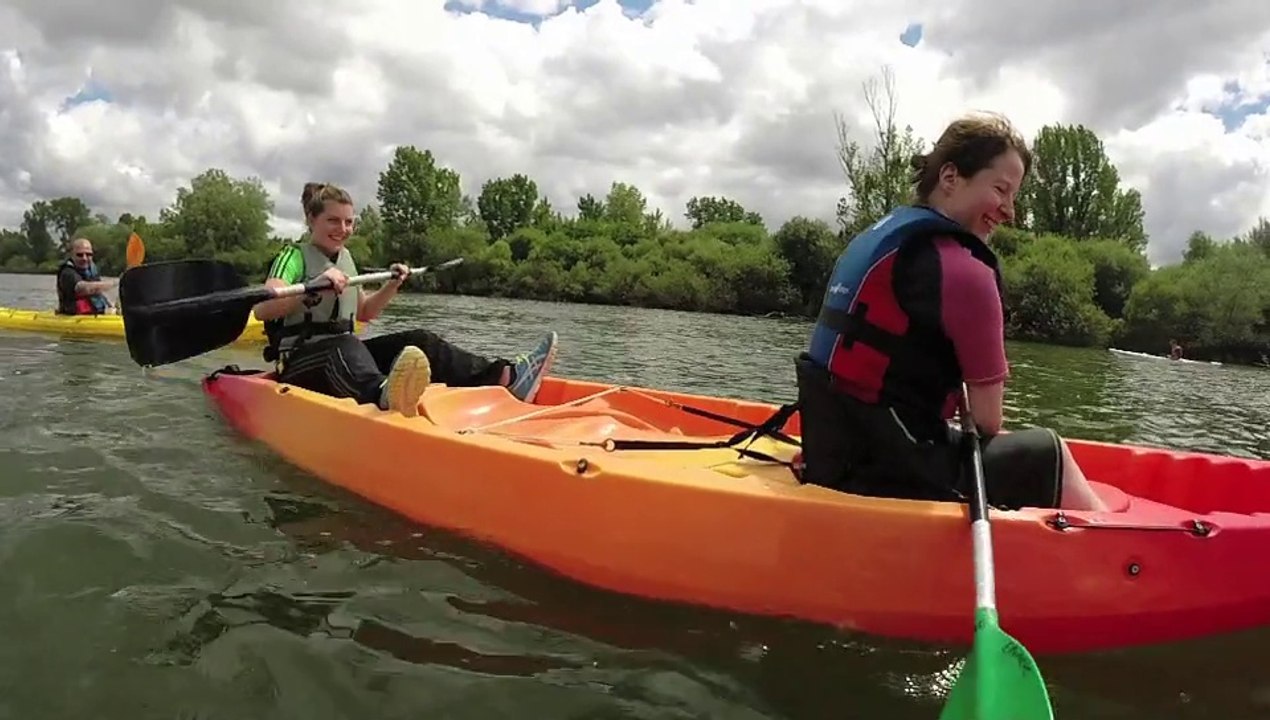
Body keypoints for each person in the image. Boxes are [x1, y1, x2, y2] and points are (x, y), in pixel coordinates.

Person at [794, 111, 1108, 512]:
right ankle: (1115, 540)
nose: (1010, 210)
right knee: (1049, 453)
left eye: (1013, 195)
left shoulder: (879, 237)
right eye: (1001, 189)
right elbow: (988, 421)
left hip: (832, 452)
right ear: (950, 177)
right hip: (892, 469)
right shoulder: (966, 271)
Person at [252, 182, 559, 417]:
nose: (343, 229)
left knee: (420, 340)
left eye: (348, 222)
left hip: (343, 354)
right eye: (333, 221)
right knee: (344, 346)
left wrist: (392, 285)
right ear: (311, 219)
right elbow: (264, 308)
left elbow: (364, 312)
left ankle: (505, 377)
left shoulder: (346, 259)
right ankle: (381, 393)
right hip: (301, 363)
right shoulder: (293, 256)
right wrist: (313, 286)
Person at [56, 238, 116, 315]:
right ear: (72, 255)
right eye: (80, 255)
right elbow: (82, 288)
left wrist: (110, 305)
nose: (84, 258)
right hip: (72, 316)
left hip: (93, 315)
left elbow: (98, 291)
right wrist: (114, 283)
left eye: (88, 255)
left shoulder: (92, 270)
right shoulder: (67, 272)